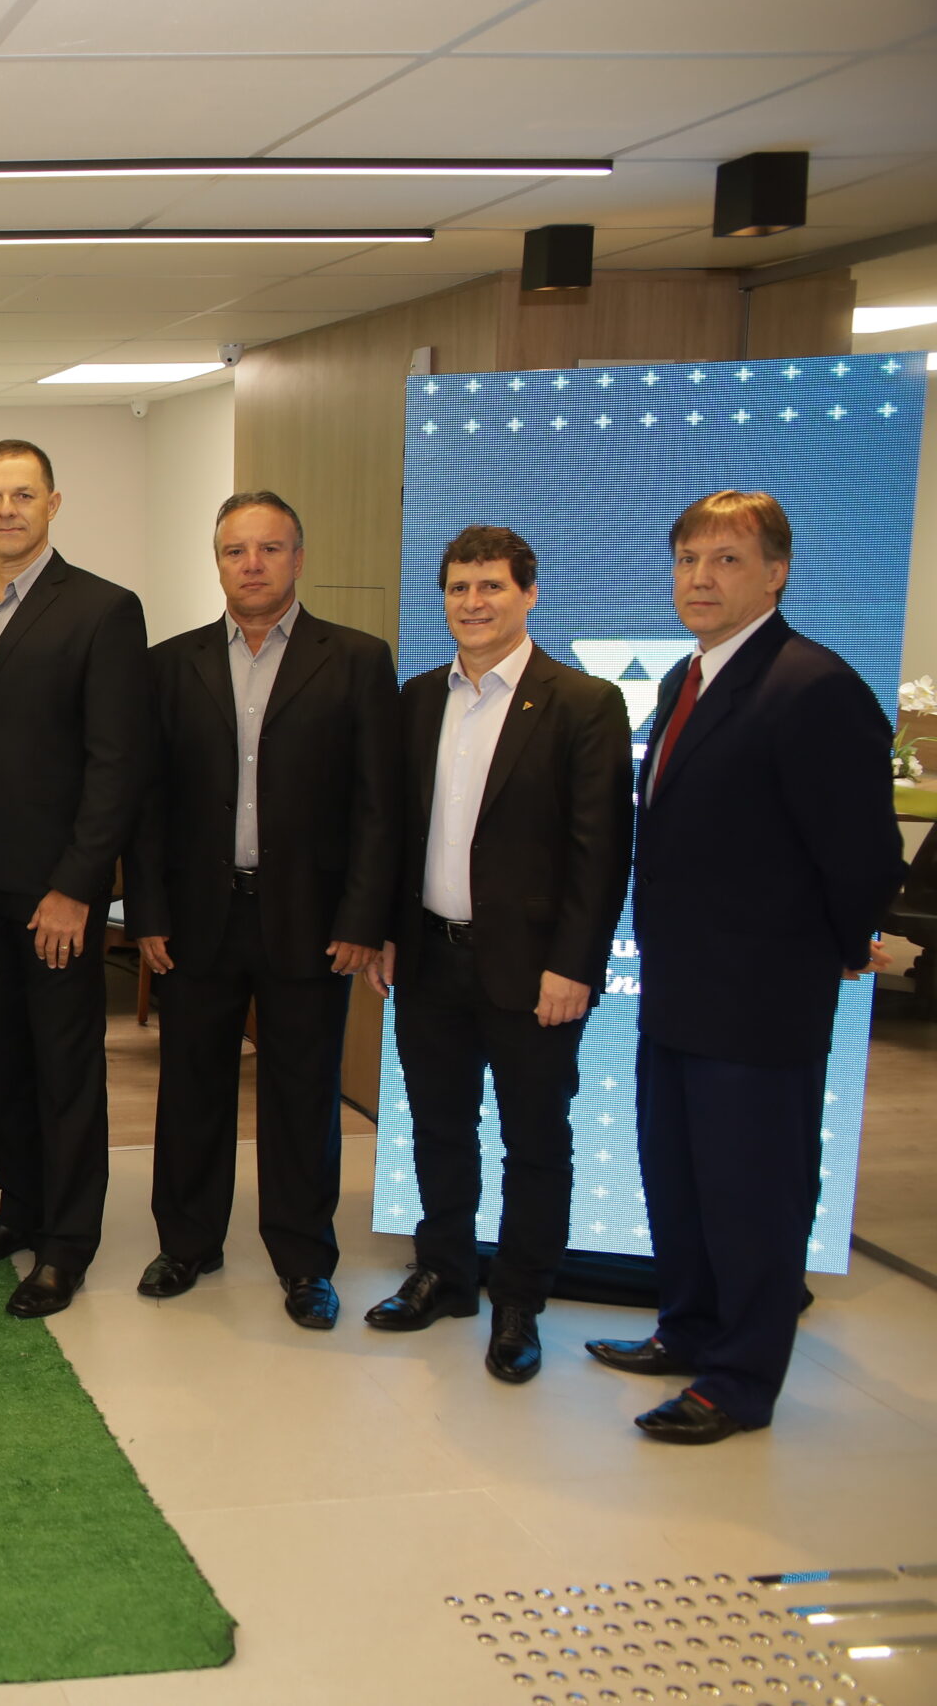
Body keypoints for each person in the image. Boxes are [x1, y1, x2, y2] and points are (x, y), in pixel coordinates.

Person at [586, 491, 905, 1444]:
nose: (700, 578)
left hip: (761, 1002)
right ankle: (688, 1329)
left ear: (776, 573)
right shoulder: (685, 678)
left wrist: (831, 949)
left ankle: (740, 1380)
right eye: (688, 559)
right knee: (679, 1179)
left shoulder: (813, 686)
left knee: (754, 1194)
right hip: (680, 989)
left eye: (726, 559)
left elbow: (865, 856)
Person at [364, 525, 632, 1382]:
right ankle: (444, 1272)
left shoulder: (583, 702)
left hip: (534, 972)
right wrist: (386, 930)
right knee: (438, 1128)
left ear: (529, 594)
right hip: (430, 958)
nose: (473, 603)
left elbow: (601, 852)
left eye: (491, 586)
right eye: (458, 588)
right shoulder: (416, 699)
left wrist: (575, 965)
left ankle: (519, 1300)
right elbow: (394, 832)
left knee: (535, 1141)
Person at [130, 491, 398, 1331]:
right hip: (196, 917)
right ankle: (187, 1241)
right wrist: (147, 912)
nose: (252, 564)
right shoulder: (169, 664)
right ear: (217, 561)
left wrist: (362, 918)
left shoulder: (355, 659)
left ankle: (304, 1258)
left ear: (298, 559)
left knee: (303, 1094)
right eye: (235, 550)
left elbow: (378, 805)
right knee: (191, 1087)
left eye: (270, 548)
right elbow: (147, 802)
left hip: (312, 921)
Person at [0, 439, 149, 1318]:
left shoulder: (102, 608)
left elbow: (116, 762)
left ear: (53, 503)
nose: (6, 509)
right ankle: (19, 1207)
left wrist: (78, 885)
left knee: (64, 1068)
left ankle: (67, 1243)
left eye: (23, 494)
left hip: (55, 893)